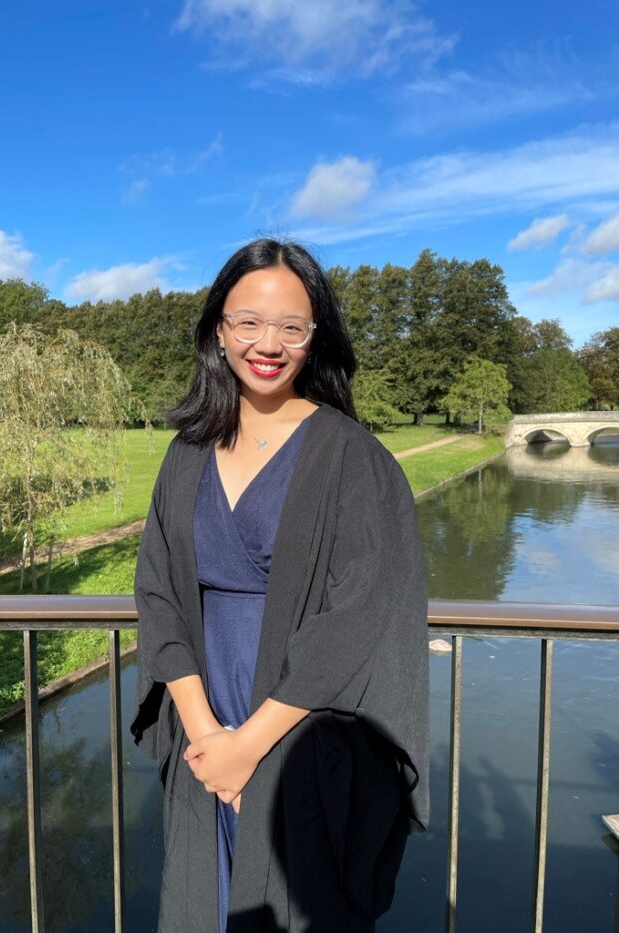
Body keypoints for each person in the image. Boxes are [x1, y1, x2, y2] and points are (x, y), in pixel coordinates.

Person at [130, 238, 430, 933]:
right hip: (204, 728)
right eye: (249, 322)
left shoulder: (353, 458)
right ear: (218, 329)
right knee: (205, 904)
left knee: (298, 905)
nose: (269, 343)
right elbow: (158, 591)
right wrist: (208, 739)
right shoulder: (187, 452)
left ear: (315, 335)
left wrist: (249, 745)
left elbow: (357, 617)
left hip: (299, 736)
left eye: (292, 326)